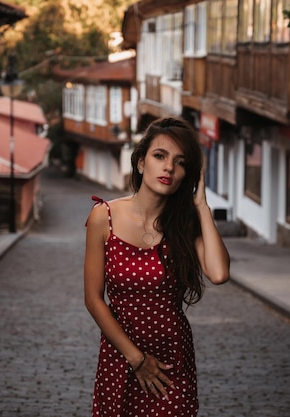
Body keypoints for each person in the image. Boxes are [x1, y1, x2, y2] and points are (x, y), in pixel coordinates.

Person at [84, 116, 231, 417]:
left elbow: (218, 274)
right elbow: (94, 299)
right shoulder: (104, 216)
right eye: (159, 156)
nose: (168, 168)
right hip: (120, 357)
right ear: (140, 162)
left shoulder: (185, 225)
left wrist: (201, 205)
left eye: (179, 162)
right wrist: (137, 359)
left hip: (170, 362)